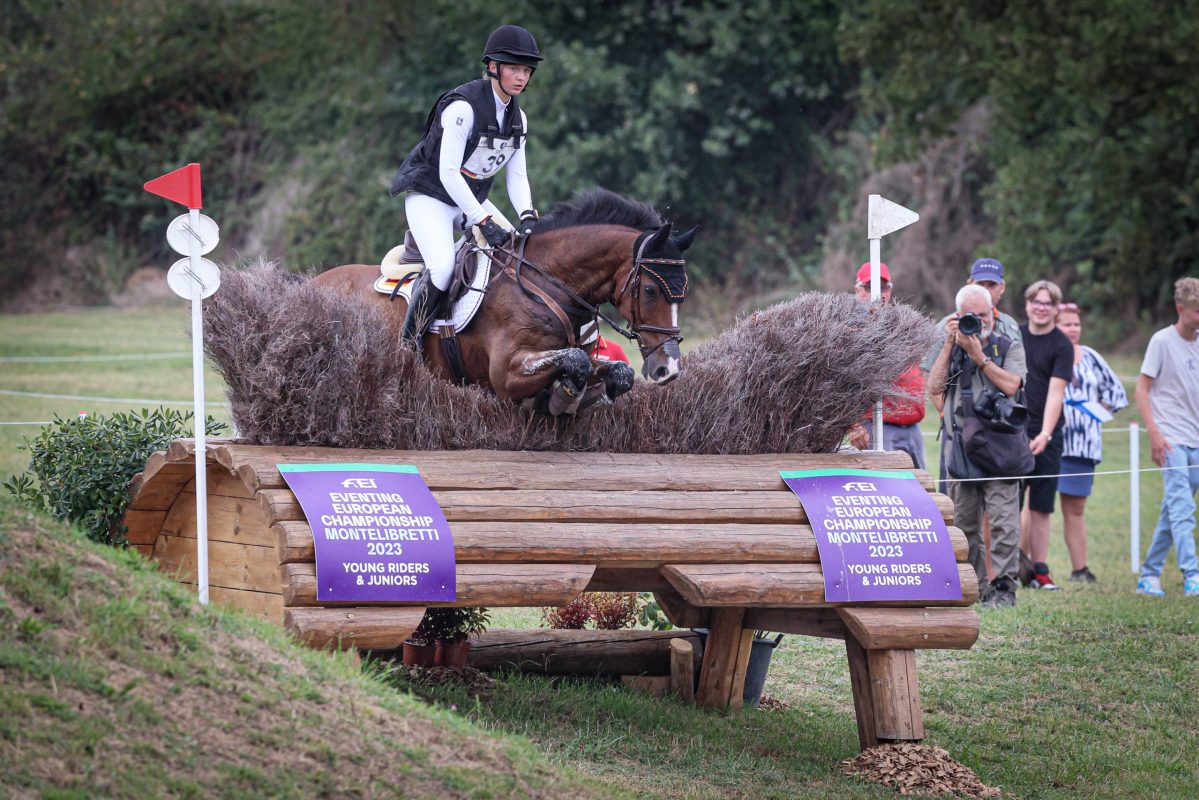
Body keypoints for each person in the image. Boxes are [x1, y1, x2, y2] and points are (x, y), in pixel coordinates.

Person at [390, 24, 543, 348]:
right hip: (430, 196)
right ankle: (408, 344)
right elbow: (448, 174)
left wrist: (528, 215)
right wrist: (483, 221)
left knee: (515, 254)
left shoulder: (519, 120)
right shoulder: (463, 109)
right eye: (514, 68)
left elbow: (516, 176)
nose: (521, 77)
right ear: (493, 67)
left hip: (468, 199)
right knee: (444, 268)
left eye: (526, 70)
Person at [926, 284, 1027, 607]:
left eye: (983, 315)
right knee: (964, 521)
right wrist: (948, 346)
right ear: (957, 316)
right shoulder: (951, 345)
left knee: (1003, 521)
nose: (978, 321)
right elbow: (934, 389)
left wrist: (978, 356)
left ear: (992, 314)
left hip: (1001, 445)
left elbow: (1012, 385)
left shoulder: (1008, 344)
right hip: (962, 447)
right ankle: (975, 585)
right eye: (970, 316)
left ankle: (1004, 588)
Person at [1135, 277, 1199, 597]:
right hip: (1171, 438)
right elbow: (1141, 389)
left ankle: (1149, 575)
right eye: (1198, 311)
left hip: (1196, 440)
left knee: (1173, 509)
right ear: (1181, 309)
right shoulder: (1161, 341)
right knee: (1183, 508)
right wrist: (1154, 432)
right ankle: (1193, 574)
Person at [1056, 302, 1129, 583]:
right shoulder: (1047, 353)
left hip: (1083, 447)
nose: (1072, 329)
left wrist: (1096, 411)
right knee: (1035, 508)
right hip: (1050, 443)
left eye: (1076, 324)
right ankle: (1031, 569)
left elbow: (1118, 394)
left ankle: (1080, 569)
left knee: (1075, 509)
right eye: (1066, 324)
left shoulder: (1091, 357)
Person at [1016, 279, 1074, 591]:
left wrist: (1045, 435)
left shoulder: (1062, 345)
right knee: (1008, 504)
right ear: (1027, 304)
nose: (1041, 307)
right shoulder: (1015, 337)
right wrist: (1017, 432)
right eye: (1036, 302)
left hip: (1047, 437)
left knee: (1041, 505)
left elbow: (1056, 394)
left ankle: (1040, 570)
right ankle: (1007, 567)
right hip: (1011, 433)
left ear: (1055, 308)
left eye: (1047, 303)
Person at [848, 262, 927, 469]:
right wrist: (853, 426)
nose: (877, 292)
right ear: (857, 290)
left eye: (883, 287)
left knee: (921, 493)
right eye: (869, 286)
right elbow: (840, 381)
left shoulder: (903, 322)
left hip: (913, 428)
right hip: (877, 428)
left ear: (890, 289)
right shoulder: (849, 326)